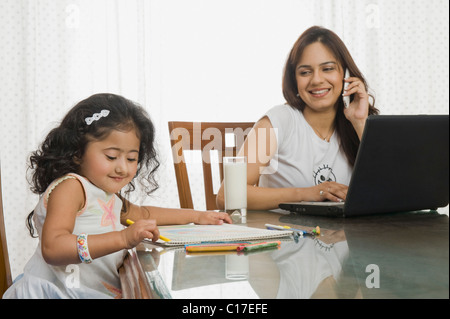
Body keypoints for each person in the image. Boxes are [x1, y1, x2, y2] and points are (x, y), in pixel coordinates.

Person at [3, 93, 231, 299]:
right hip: (55, 294)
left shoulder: (106, 195)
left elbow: (143, 213)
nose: (122, 168)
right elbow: (54, 248)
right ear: (76, 153)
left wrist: (198, 215)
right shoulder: (71, 187)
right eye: (111, 157)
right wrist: (123, 239)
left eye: (131, 159)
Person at [217, 26, 379, 211]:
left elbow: (388, 192)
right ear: (294, 80)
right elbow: (227, 195)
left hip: (342, 237)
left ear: (346, 75)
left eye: (327, 69)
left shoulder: (358, 124)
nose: (317, 80)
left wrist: (360, 123)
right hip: (284, 235)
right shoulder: (278, 121)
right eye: (305, 72)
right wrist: (307, 194)